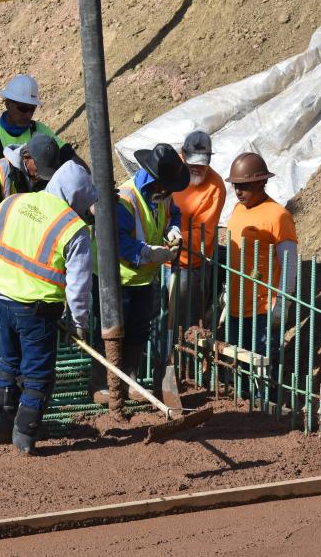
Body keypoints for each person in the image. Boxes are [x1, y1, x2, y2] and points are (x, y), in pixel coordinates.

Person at [0, 161, 97, 454]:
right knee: (38, 374)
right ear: (77, 196)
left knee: (9, 364)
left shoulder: (15, 202)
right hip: (38, 311)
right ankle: (24, 437)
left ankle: (4, 426)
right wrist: (79, 324)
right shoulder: (73, 228)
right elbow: (79, 287)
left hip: (3, 300)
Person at [0, 133, 62, 418]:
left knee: (17, 326)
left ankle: (16, 387)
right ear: (27, 158)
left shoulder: (35, 176)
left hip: (21, 261)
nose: (41, 178)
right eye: (38, 171)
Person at [93, 144, 189, 413]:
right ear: (156, 181)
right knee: (111, 334)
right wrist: (148, 253)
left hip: (144, 279)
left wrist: (173, 230)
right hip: (116, 279)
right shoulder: (125, 200)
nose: (171, 193)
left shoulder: (163, 195)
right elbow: (118, 242)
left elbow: (174, 214)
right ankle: (102, 383)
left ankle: (130, 380)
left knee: (138, 331)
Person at [224, 152, 298, 402]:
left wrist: (283, 304)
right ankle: (243, 407)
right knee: (238, 361)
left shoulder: (278, 216)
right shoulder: (237, 210)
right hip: (235, 306)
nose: (238, 191)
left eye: (244, 186)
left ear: (260, 183)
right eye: (236, 185)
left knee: (263, 362)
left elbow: (289, 263)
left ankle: (266, 408)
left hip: (263, 308)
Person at [0, 74, 76, 212]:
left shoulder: (40, 130)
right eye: (23, 108)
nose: (28, 115)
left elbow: (69, 157)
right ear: (7, 104)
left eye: (32, 109)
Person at [174, 130, 226, 330]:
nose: (197, 168)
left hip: (190, 264)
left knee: (184, 325)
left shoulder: (215, 187)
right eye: (192, 162)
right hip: (155, 258)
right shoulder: (172, 167)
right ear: (183, 154)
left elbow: (201, 234)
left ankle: (181, 357)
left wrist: (167, 239)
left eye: (202, 163)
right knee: (155, 321)